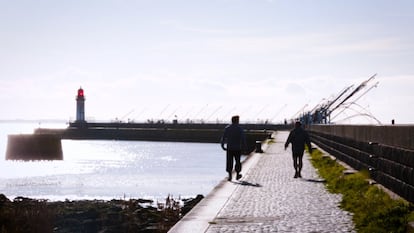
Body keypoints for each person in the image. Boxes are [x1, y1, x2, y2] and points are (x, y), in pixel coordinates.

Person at [221, 115, 247, 181]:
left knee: (229, 161)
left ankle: (230, 176)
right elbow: (243, 138)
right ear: (237, 120)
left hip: (229, 148)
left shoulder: (227, 128)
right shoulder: (240, 129)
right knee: (238, 161)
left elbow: (223, 137)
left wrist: (222, 145)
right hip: (238, 148)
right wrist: (245, 146)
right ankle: (238, 174)